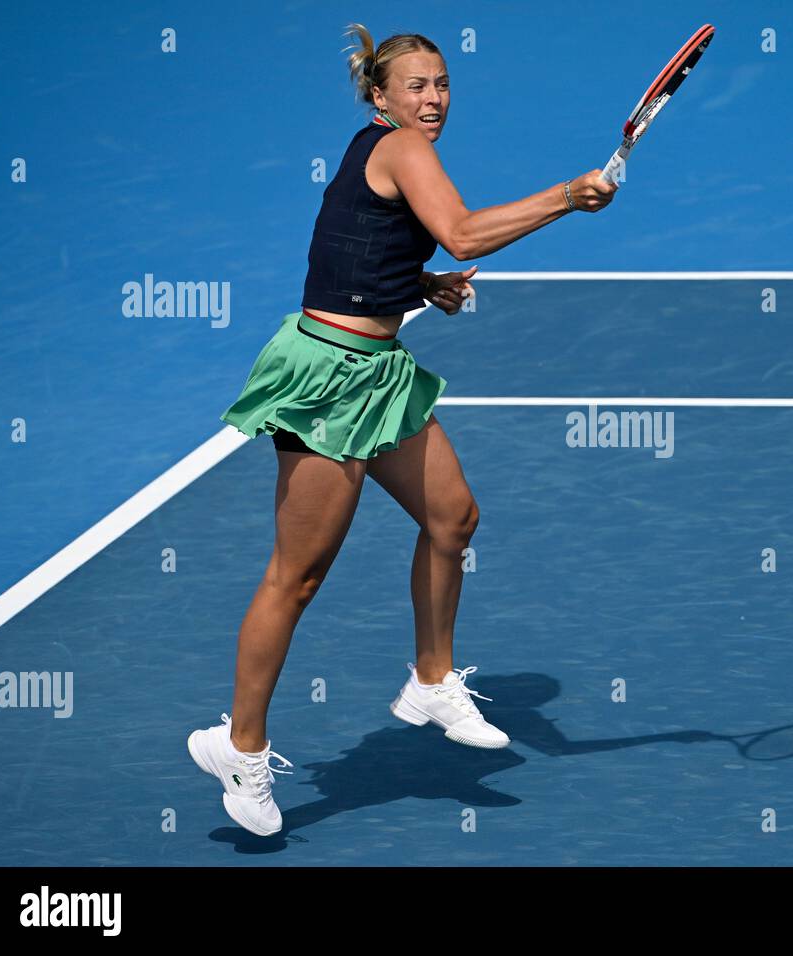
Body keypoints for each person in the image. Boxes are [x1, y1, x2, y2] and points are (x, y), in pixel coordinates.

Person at [188, 24, 617, 837]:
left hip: (377, 372)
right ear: (380, 96)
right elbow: (461, 229)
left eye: (442, 84)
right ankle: (237, 747)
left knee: (453, 518)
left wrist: (418, 286)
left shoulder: (379, 149)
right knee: (298, 576)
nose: (433, 98)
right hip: (325, 382)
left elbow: (355, 239)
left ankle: (431, 678)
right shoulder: (403, 150)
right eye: (415, 86)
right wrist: (567, 196)